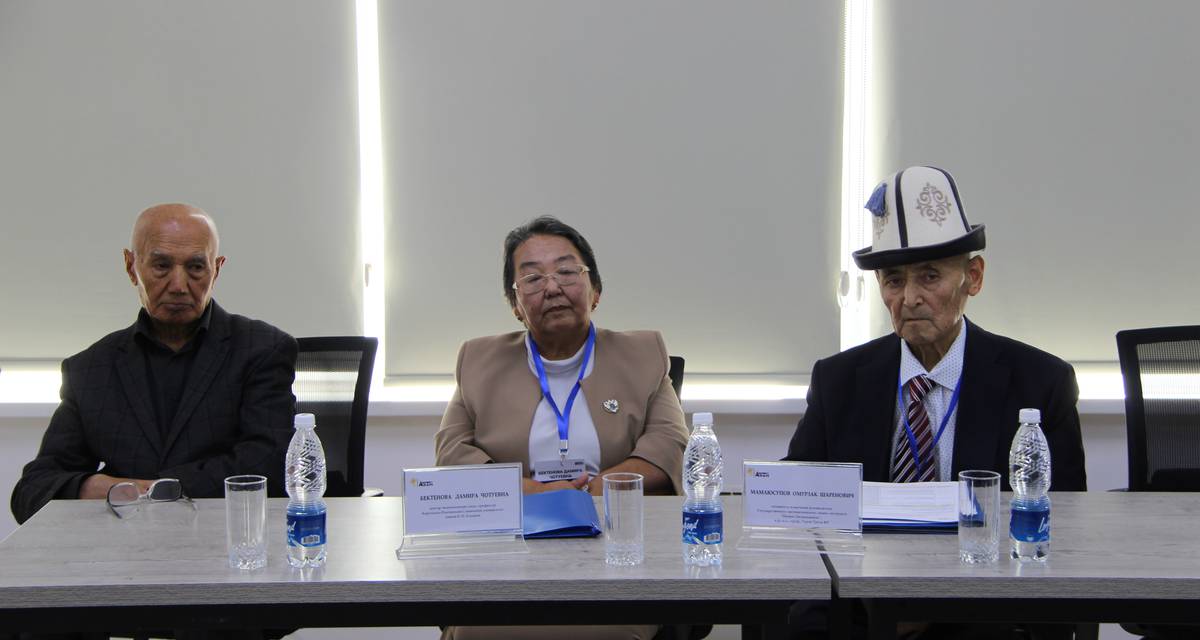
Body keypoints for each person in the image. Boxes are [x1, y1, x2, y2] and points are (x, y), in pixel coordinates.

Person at [784, 166, 1086, 639]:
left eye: (929, 276)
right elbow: (799, 504)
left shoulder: (1040, 383)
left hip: (981, 608)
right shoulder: (838, 380)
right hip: (861, 608)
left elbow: (1063, 527)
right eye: (893, 280)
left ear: (973, 277)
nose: (910, 298)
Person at [435, 216, 689, 640]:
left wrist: (587, 494)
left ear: (595, 291)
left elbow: (668, 446)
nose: (552, 287)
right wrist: (537, 493)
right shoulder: (477, 361)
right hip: (511, 550)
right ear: (516, 305)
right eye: (532, 278)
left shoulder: (644, 354)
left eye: (567, 272)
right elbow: (452, 455)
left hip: (616, 548)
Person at [11, 203, 297, 525]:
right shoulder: (90, 369)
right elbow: (31, 492)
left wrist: (151, 490)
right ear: (131, 266)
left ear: (216, 269)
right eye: (161, 266)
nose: (178, 285)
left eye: (196, 267)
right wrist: (98, 488)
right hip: (126, 543)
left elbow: (270, 466)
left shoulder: (262, 350)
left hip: (229, 535)